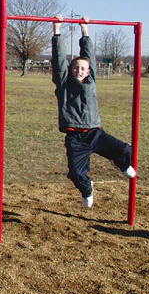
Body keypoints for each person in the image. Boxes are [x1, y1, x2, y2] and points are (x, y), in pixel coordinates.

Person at [51, 15, 136, 208]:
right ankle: (87, 188)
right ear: (70, 70)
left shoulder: (91, 81)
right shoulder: (64, 83)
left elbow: (89, 56)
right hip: (75, 138)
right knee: (75, 173)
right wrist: (57, 31)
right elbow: (58, 61)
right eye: (75, 68)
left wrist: (85, 31)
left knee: (124, 149)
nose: (79, 71)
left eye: (82, 68)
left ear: (88, 71)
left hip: (95, 133)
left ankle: (123, 165)